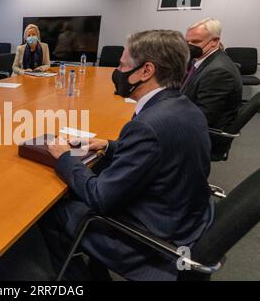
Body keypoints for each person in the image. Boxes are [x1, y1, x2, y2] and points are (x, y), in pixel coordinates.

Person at [43, 30, 213, 281]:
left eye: (123, 65)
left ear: (146, 71)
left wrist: (64, 157)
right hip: (185, 217)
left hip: (150, 239)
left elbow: (99, 197)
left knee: (53, 209)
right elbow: (157, 152)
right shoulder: (183, 106)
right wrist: (108, 146)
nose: (118, 71)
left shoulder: (147, 125)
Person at [181, 18, 242, 159]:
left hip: (204, 136)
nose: (189, 46)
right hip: (192, 119)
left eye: (195, 42)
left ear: (214, 41)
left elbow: (202, 117)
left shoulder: (219, 71)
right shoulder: (202, 60)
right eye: (187, 42)